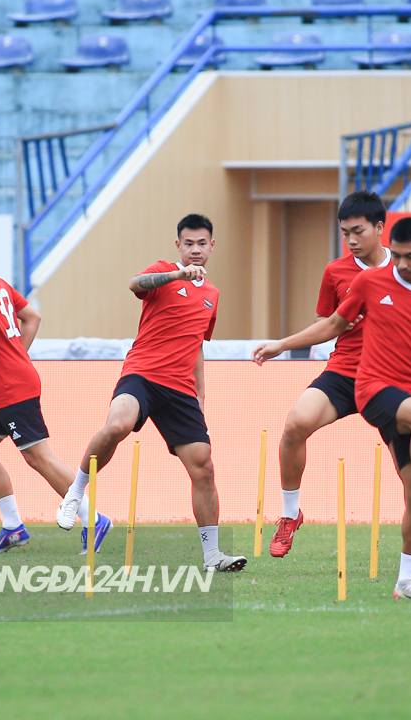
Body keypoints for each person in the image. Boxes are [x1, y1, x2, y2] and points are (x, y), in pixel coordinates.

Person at [254, 217, 411, 600]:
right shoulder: (360, 279)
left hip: (410, 388)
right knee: (298, 423)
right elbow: (331, 323)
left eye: (409, 256)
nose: (401, 264)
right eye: (397, 257)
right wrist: (282, 345)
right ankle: (292, 513)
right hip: (367, 383)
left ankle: (408, 580)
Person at [56, 214, 246, 573]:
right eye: (188, 243)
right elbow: (135, 283)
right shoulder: (163, 272)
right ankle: (75, 494)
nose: (194, 250)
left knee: (203, 467)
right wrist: (176, 275)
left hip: (180, 390)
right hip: (142, 374)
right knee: (117, 425)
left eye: (201, 243)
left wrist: (201, 398)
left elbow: (197, 347)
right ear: (178, 246)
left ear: (211, 246)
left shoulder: (212, 295)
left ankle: (212, 557)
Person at [0, 224, 110, 555]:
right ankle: (13, 527)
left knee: (38, 456)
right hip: (4, 383)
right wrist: (18, 354)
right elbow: (32, 317)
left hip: (12, 384)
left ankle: (93, 518)